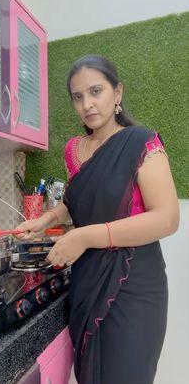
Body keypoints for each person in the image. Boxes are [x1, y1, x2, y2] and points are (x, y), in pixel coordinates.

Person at [16, 55, 179, 384]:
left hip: (134, 285)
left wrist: (84, 237)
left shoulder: (141, 142)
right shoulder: (75, 149)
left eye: (96, 91)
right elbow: (74, 201)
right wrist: (46, 219)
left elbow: (167, 219)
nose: (87, 104)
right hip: (88, 280)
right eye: (78, 97)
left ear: (117, 93)